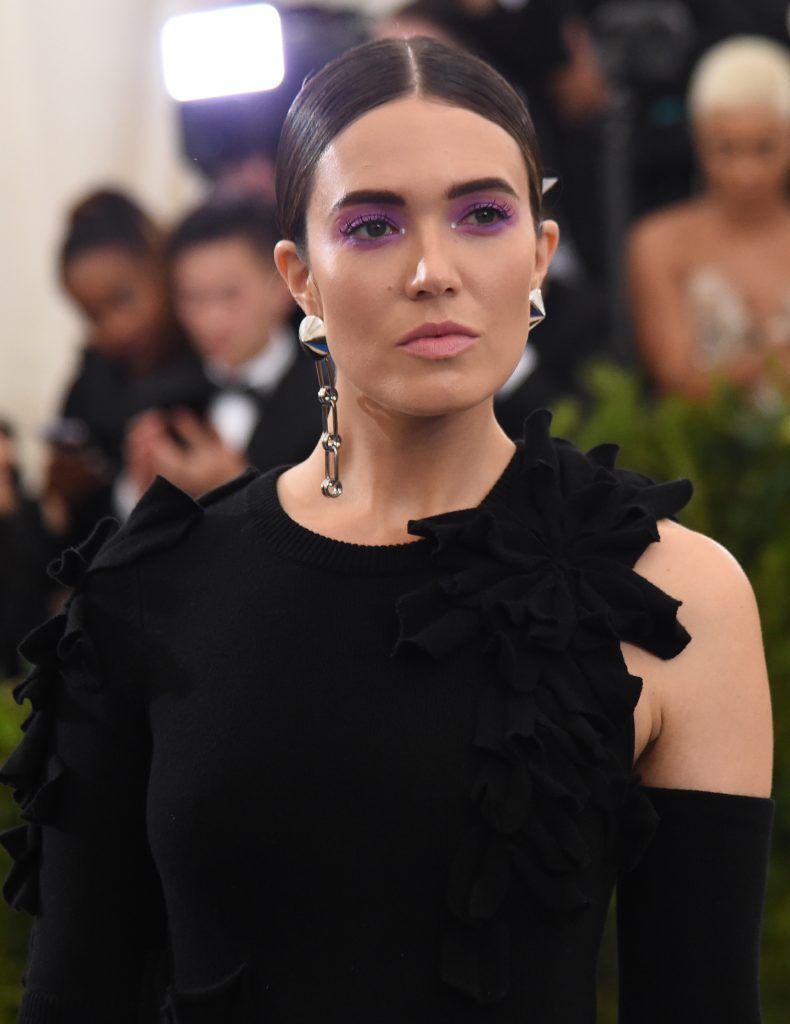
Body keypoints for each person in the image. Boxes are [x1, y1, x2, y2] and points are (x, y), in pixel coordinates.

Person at [0, 36, 773, 1022]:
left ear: (537, 253)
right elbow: (76, 995)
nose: (431, 270)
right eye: (371, 226)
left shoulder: (677, 598)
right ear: (300, 277)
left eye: (481, 214)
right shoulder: (148, 589)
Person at [628, 36, 790, 400]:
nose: (745, 172)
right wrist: (772, 360)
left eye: (764, 147)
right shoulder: (658, 242)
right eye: (726, 148)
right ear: (698, 140)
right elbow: (676, 379)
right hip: (701, 450)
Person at [124, 197, 317, 502]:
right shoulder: (161, 394)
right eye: (193, 298)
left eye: (229, 295)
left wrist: (238, 490)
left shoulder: (332, 395)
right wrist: (136, 488)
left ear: (283, 287)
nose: (210, 321)